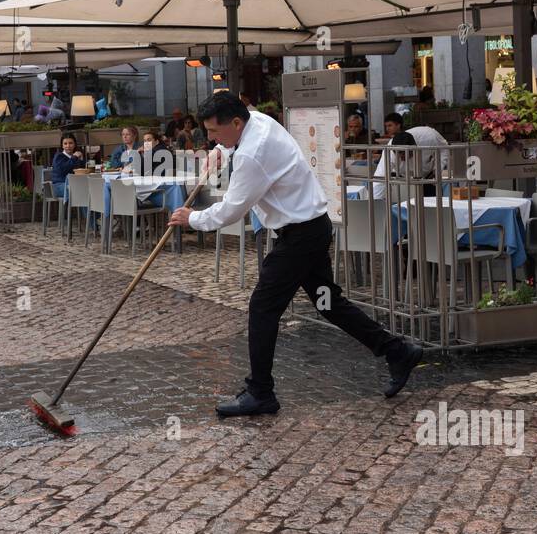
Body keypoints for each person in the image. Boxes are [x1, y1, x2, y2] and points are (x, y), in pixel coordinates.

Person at [168, 92, 423, 416]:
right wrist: (219, 150)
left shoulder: (251, 155)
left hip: (300, 237)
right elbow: (231, 146)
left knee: (263, 307)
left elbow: (231, 210)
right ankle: (397, 351)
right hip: (311, 227)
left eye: (214, 132)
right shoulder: (254, 119)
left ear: (235, 122)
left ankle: (261, 392)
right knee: (327, 302)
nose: (210, 138)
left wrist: (192, 218)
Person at [371, 122, 448, 198]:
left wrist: (437, 169)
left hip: (428, 176)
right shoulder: (390, 150)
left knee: (432, 203)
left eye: (406, 155)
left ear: (414, 147)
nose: (403, 159)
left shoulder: (430, 136)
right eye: (399, 156)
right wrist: (375, 205)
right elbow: (380, 177)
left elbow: (444, 149)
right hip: (403, 177)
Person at [50, 133, 86, 199]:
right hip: (59, 185)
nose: (68, 146)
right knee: (80, 190)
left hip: (73, 184)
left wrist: (81, 160)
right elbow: (64, 169)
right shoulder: (58, 156)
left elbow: (82, 172)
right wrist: (74, 157)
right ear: (62, 146)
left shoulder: (75, 157)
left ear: (74, 144)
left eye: (70, 143)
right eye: (65, 144)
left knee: (88, 189)